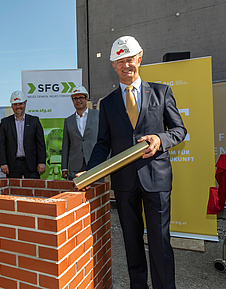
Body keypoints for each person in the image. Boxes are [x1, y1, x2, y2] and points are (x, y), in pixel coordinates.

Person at [80, 36, 187, 289]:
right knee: (132, 242)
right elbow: (103, 143)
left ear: (139, 59)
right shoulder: (107, 103)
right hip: (125, 182)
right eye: (120, 61)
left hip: (157, 180)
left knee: (160, 242)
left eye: (130, 59)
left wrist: (160, 139)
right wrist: (90, 171)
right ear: (114, 66)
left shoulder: (162, 92)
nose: (126, 65)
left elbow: (179, 130)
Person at [0, 91, 46, 179]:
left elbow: (40, 144)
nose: (18, 107)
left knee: (33, 190)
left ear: (25, 104)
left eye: (20, 104)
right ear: (12, 106)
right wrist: (3, 163)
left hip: (31, 164)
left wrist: (41, 162)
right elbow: (1, 145)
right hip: (13, 165)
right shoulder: (5, 123)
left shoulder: (34, 121)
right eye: (15, 104)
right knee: (13, 191)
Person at [61, 86, 99, 180]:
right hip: (75, 165)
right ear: (73, 101)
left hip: (95, 162)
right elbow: (66, 145)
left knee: (97, 190)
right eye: (75, 98)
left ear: (86, 99)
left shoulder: (98, 115)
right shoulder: (68, 121)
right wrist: (64, 167)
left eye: (81, 97)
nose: (78, 101)